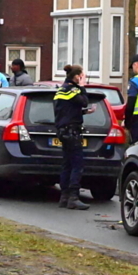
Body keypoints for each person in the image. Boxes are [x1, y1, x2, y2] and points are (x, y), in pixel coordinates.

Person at [54, 64, 92, 210]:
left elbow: (65, 110)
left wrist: (82, 113)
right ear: (77, 76)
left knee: (67, 164)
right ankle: (73, 198)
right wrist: (82, 86)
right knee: (77, 164)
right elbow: (84, 101)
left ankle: (64, 197)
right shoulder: (73, 90)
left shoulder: (61, 89)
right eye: (82, 76)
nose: (83, 78)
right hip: (72, 131)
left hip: (63, 130)